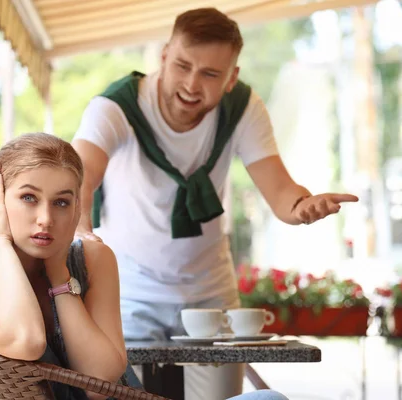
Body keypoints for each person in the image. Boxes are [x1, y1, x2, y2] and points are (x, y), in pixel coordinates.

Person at [72, 7, 358, 400]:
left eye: (210, 74)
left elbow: (282, 193)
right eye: (183, 66)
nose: (191, 84)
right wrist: (81, 238)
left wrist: (303, 207)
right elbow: (80, 178)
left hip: (210, 295)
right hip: (128, 291)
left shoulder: (242, 108)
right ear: (164, 56)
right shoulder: (115, 107)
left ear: (231, 79)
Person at [0, 133, 129, 400]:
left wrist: (59, 272)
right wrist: (0, 242)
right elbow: (26, 340)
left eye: (61, 202)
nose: (45, 219)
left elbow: (99, 384)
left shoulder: (95, 258)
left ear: (76, 208)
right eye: (29, 198)